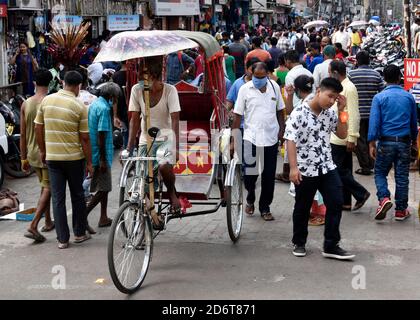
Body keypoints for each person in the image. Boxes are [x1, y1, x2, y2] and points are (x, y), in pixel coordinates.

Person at [285, 77, 356, 260]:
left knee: (336, 201)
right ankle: (299, 242)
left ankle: (331, 245)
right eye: (329, 96)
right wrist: (293, 168)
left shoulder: (331, 112)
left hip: (326, 166)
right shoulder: (299, 112)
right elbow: (290, 140)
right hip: (305, 168)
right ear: (318, 91)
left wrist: (341, 111)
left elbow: (341, 133)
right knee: (302, 207)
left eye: (335, 98)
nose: (331, 101)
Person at [35, 71, 93, 249]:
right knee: (77, 196)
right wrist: (90, 162)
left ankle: (62, 240)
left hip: (53, 158)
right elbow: (84, 138)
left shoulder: (47, 100)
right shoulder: (79, 106)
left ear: (63, 82)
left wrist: (43, 150)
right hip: (74, 159)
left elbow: (38, 127)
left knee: (58, 199)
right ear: (78, 87)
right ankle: (79, 234)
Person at [126, 57, 181, 221]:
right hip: (145, 139)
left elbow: (175, 119)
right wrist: (128, 148)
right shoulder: (137, 90)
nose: (143, 80)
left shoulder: (170, 90)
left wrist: (175, 147)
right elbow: (134, 119)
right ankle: (149, 219)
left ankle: (171, 192)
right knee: (141, 182)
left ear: (156, 76)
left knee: (164, 166)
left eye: (147, 76)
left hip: (165, 138)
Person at [231, 62, 286, 221]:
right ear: (251, 73)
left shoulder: (274, 87)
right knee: (250, 174)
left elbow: (280, 111)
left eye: (262, 77)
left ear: (268, 74)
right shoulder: (244, 89)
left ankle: (265, 207)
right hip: (250, 137)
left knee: (268, 176)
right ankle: (250, 197)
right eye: (256, 77)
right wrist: (235, 139)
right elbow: (237, 115)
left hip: (270, 138)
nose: (259, 80)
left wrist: (281, 131)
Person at [368, 65, 418, 221]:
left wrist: (371, 142)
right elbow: (413, 122)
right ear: (399, 78)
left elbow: (374, 122)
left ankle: (383, 198)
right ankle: (401, 211)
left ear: (384, 79)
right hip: (404, 142)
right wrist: (414, 142)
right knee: (402, 176)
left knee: (380, 172)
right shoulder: (409, 97)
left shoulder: (379, 97)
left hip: (385, 142)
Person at [329, 60, 370, 212]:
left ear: (335, 72)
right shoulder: (340, 87)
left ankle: (361, 193)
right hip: (339, 135)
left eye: (329, 71)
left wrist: (352, 137)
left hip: (342, 136)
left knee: (338, 170)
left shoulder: (349, 88)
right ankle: (346, 202)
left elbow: (353, 114)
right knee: (344, 170)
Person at [21, 69, 55, 243]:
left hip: (33, 154)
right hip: (46, 152)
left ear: (34, 82)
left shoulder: (26, 103)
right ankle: (33, 225)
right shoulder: (49, 102)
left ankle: (48, 221)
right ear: (50, 83)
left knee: (44, 187)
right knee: (49, 188)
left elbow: (23, 133)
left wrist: (23, 158)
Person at [86, 83, 120, 232]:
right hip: (100, 154)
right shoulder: (105, 109)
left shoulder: (95, 104)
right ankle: (83, 215)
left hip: (96, 152)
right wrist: (102, 159)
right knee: (104, 189)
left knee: (103, 186)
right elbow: (101, 134)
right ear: (111, 96)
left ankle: (103, 217)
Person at [348, 51, 385, 176]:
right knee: (372, 138)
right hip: (373, 113)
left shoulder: (351, 75)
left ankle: (366, 166)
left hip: (357, 112)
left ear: (357, 61)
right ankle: (372, 162)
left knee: (360, 140)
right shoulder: (376, 75)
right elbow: (383, 92)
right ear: (369, 61)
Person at [112, 61, 130, 149]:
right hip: (132, 109)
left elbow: (114, 98)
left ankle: (127, 154)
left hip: (121, 109)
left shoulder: (115, 75)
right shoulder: (134, 74)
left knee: (125, 132)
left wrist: (115, 115)